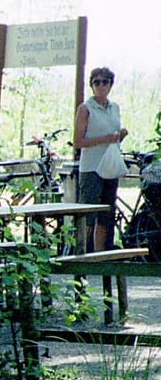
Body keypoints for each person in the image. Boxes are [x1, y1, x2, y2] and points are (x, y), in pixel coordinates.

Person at [74, 66, 128, 252]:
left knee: (106, 213)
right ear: (92, 85)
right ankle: (80, 253)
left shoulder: (114, 108)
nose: (101, 85)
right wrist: (105, 139)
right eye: (96, 82)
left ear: (110, 85)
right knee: (88, 213)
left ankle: (100, 254)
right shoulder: (86, 108)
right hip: (91, 167)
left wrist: (120, 135)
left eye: (104, 82)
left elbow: (114, 136)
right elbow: (78, 141)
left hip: (109, 166)